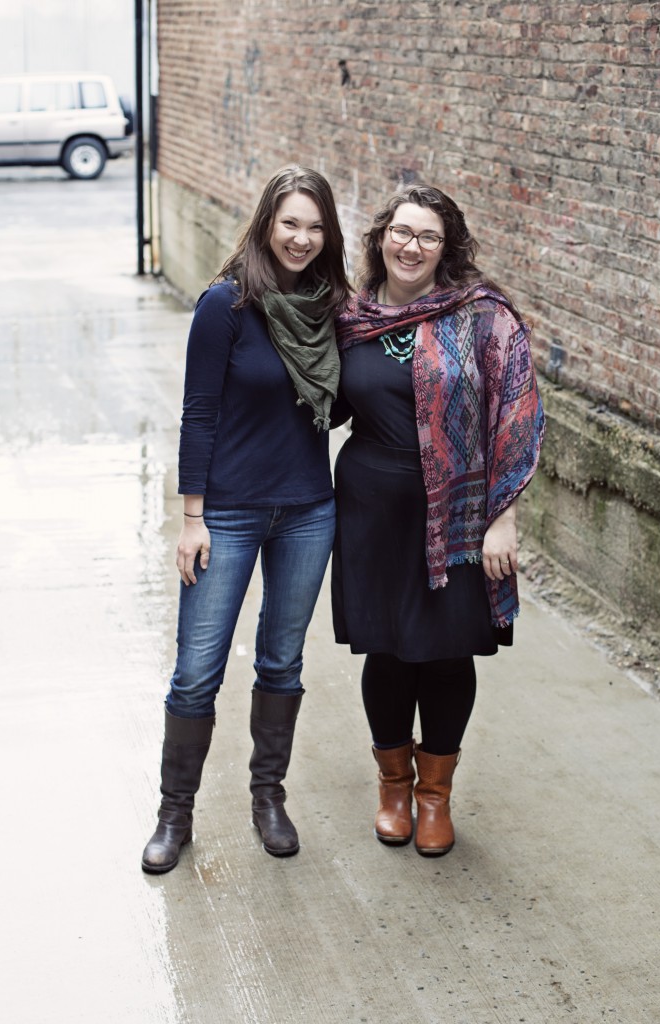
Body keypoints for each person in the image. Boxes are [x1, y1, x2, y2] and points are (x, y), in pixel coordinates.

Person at [141, 166, 350, 874]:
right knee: (197, 672)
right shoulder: (225, 306)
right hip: (225, 513)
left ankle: (268, 798)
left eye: (315, 226)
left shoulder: (330, 308)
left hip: (306, 512)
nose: (301, 237)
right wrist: (191, 516)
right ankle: (175, 812)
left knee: (282, 662)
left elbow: (339, 402)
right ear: (266, 223)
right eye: (290, 222)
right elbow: (197, 412)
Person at [331, 183, 545, 856]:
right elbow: (315, 400)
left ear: (446, 248)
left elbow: (516, 414)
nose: (410, 246)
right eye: (400, 231)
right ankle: (393, 788)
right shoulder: (350, 317)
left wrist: (501, 517)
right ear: (380, 238)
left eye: (427, 236)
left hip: (456, 512)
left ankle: (434, 797)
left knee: (447, 653)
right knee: (387, 651)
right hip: (371, 509)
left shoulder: (482, 317)